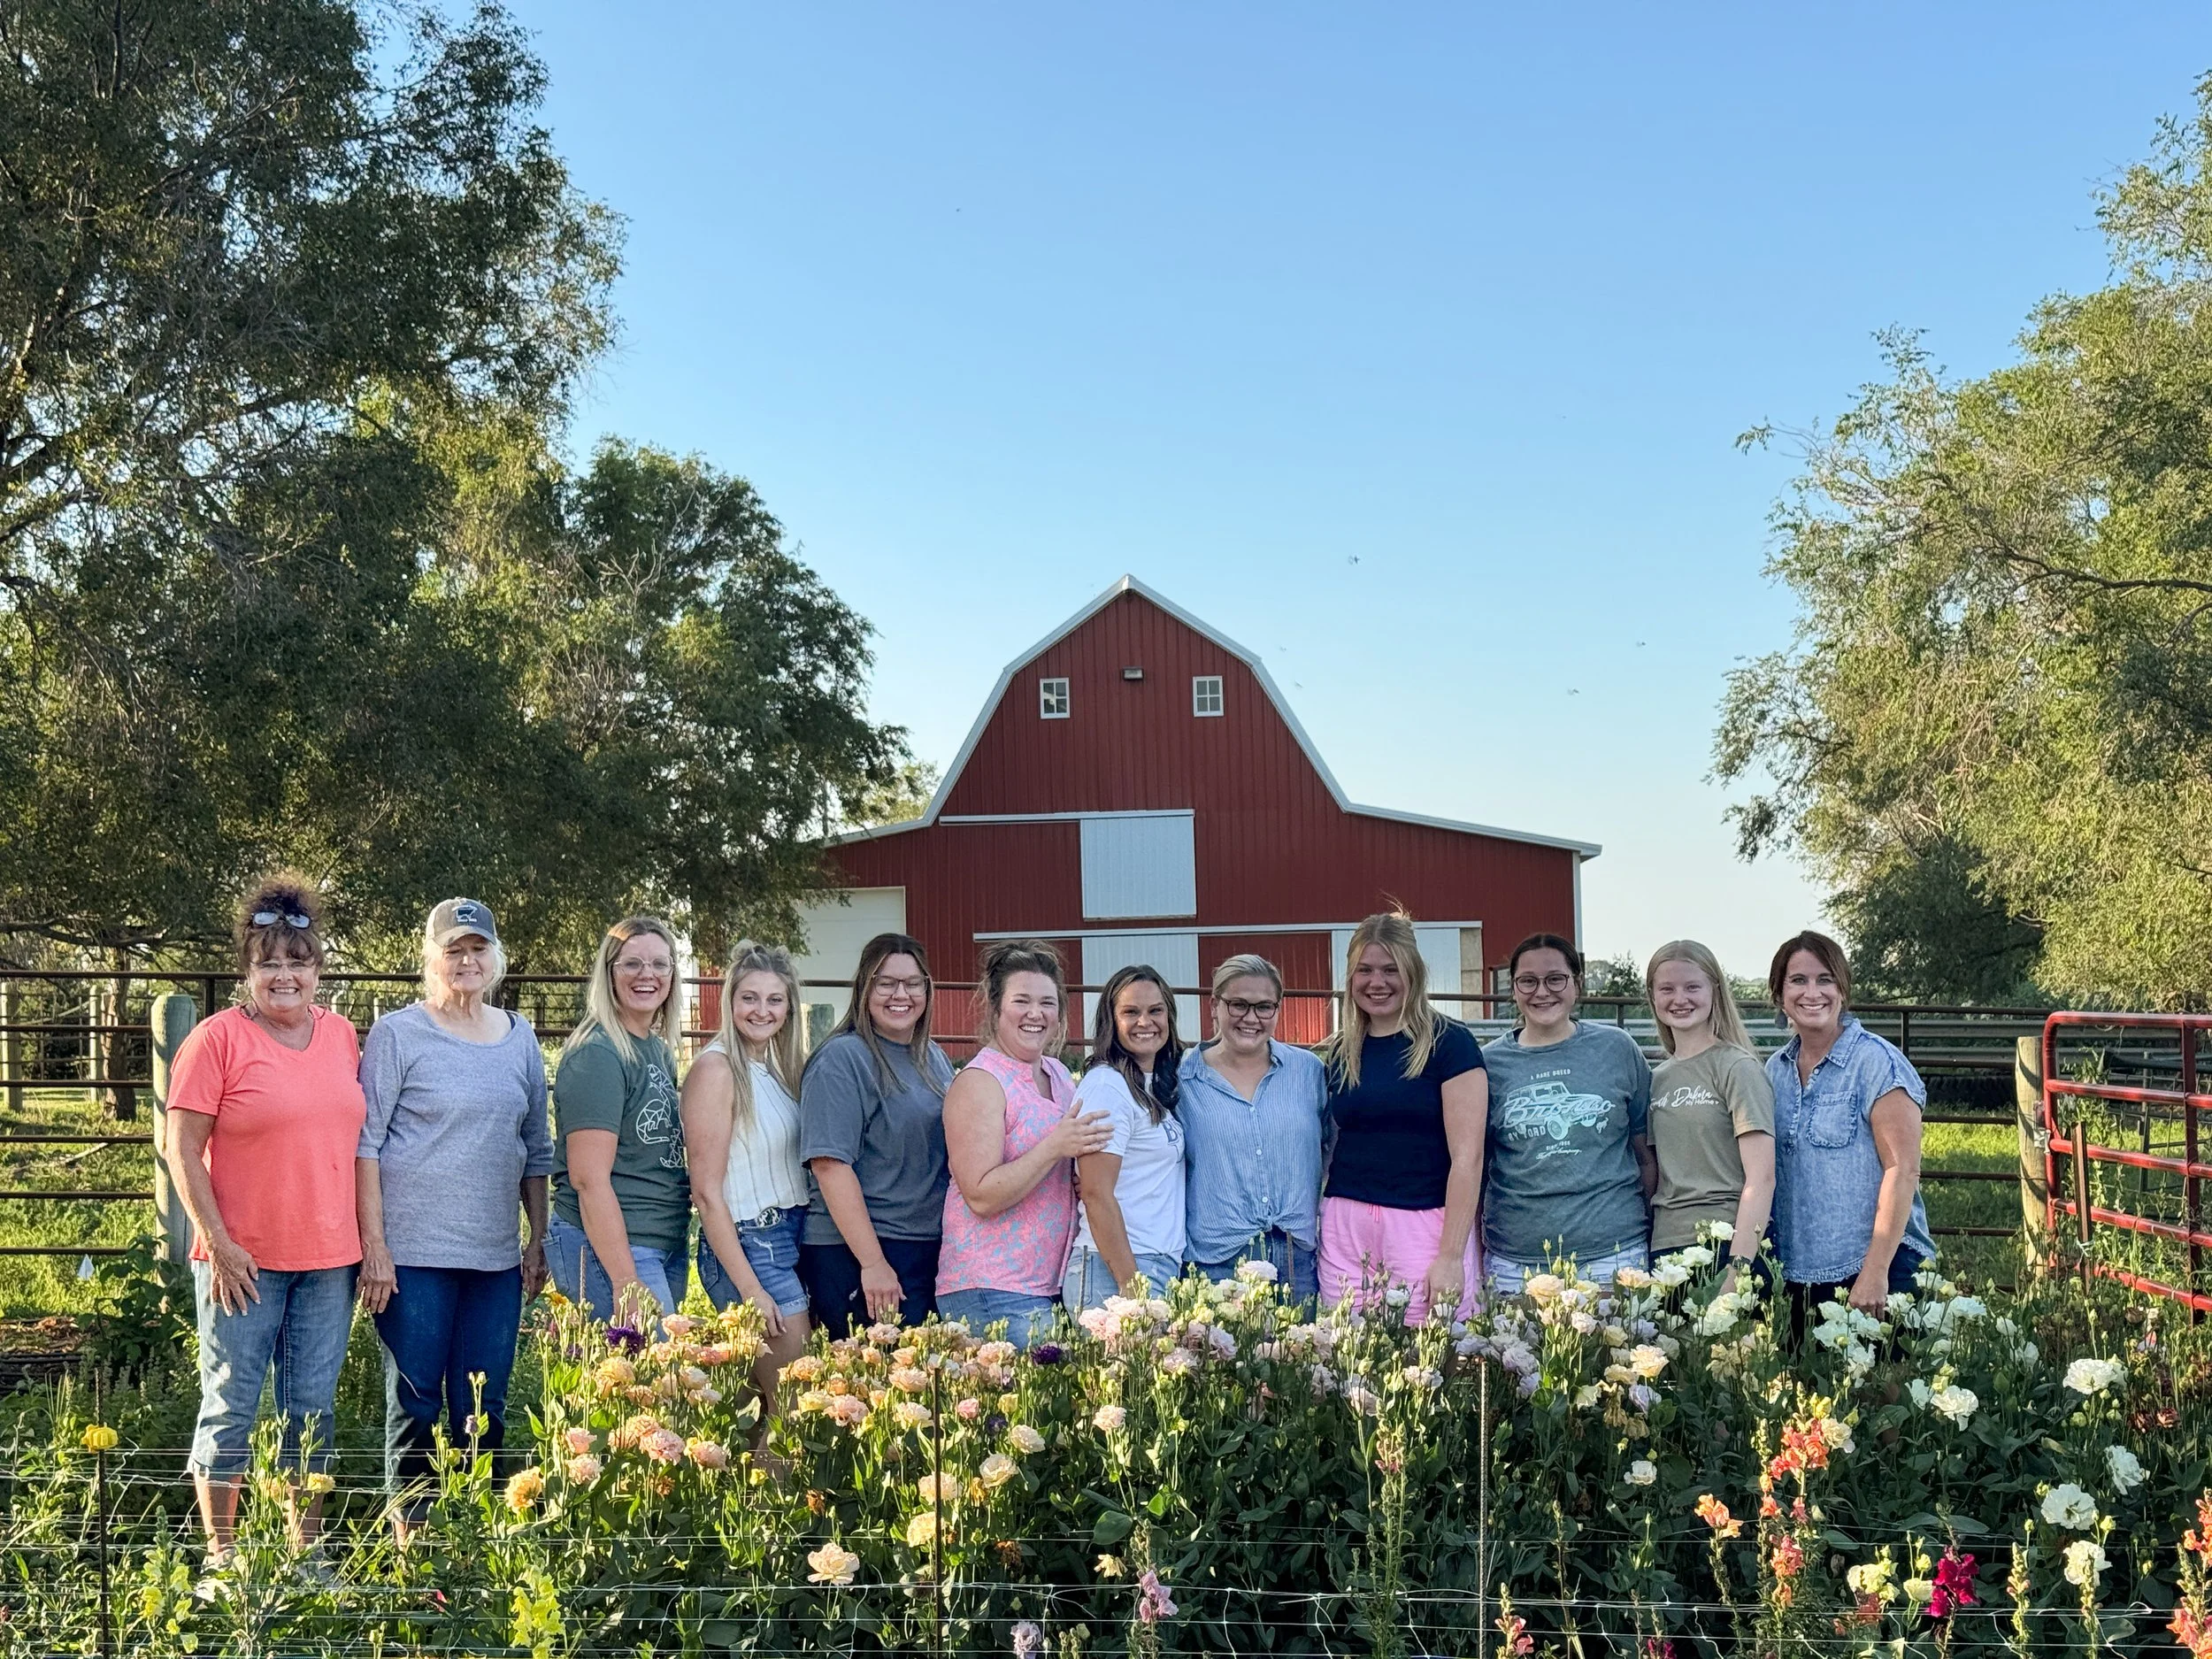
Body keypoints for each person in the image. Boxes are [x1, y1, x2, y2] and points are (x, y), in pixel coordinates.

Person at [165, 874, 365, 1573]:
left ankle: (303, 1554)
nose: (284, 974)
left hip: (330, 1258)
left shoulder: (343, 1036)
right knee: (230, 1405)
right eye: (268, 962)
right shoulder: (216, 1040)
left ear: (317, 968)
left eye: (297, 960)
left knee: (312, 1412)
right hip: (240, 1261)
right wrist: (218, 1244)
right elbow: (181, 1146)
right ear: (248, 969)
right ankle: (222, 1558)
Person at [357, 898, 552, 1543]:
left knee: (483, 1406)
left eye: (478, 948)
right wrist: (375, 1247)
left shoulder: (519, 1036)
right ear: (431, 958)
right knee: (416, 1401)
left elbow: (536, 1146)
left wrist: (537, 1238)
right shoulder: (398, 1033)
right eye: (454, 949)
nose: (467, 960)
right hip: (413, 1257)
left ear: (495, 957)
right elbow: (366, 1143)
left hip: (494, 1258)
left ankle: (471, 1539)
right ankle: (412, 1548)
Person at [1316, 914, 1487, 1325]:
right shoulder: (1343, 1052)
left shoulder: (1450, 1044)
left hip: (1423, 1225)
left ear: (1414, 972)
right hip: (1346, 1226)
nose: (1378, 983)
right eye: (1366, 970)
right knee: (1348, 1363)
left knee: (1424, 1365)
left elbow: (1469, 1158)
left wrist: (1449, 1256)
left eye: (1391, 970)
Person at [938, 941, 1110, 1347]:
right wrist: (1055, 1147)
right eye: (1022, 1001)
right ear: (996, 1008)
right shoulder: (980, 1082)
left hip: (1047, 1283)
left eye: (1047, 1003)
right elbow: (980, 1195)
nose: (1036, 1014)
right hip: (992, 1286)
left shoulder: (1057, 1073)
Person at [1766, 930, 1935, 1329]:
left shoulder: (1877, 1064)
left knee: (1882, 1390)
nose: (1813, 992)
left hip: (1875, 1267)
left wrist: (1875, 1272)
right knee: (1812, 1390)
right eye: (1798, 980)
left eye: (1825, 979)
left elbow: (1902, 1170)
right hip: (1795, 1271)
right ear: (1779, 994)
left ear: (1842, 990)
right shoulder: (1773, 1071)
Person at [798, 933, 956, 1333]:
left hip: (923, 1245)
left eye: (912, 983)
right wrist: (873, 1263)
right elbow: (830, 1166)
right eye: (885, 983)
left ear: (927, 989)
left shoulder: (932, 1059)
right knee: (874, 1389)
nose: (900, 994)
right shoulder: (842, 1059)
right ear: (864, 988)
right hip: (862, 1252)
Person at [1479, 933, 1655, 1291]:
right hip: (1516, 1260)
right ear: (1513, 989)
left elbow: (1646, 1155)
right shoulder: (1489, 1063)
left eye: (1555, 979)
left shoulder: (1617, 1048)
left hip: (1614, 1252)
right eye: (1527, 981)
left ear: (1577, 984)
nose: (1542, 991)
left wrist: (1647, 1224)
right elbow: (1477, 1164)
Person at [680, 941, 811, 1402]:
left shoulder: (773, 1068)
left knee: (772, 1409)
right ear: (730, 1001)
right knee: (792, 1407)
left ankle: (753, 1475)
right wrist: (751, 1289)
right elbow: (707, 1192)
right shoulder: (717, 1070)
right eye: (749, 998)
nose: (762, 1010)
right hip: (751, 1244)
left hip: (785, 1237)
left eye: (775, 999)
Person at [547, 917, 688, 1323]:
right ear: (609, 972)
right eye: (632, 964)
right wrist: (625, 1279)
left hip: (659, 1239)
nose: (648, 975)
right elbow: (588, 1179)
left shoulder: (655, 1049)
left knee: (657, 1383)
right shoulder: (599, 1054)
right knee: (637, 1382)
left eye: (660, 964)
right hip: (613, 1247)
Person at [1178, 953, 1328, 1302]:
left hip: (1296, 1257)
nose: (1251, 1018)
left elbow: (1329, 1144)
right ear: (1214, 1005)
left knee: (1300, 1355)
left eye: (1264, 1007)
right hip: (1217, 1259)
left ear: (1278, 1008)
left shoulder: (1307, 1071)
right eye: (1238, 1005)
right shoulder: (1183, 1077)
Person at [1644, 940, 1775, 1284]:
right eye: (1667, 989)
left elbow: (1761, 1178)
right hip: (1666, 1247)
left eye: (1692, 987)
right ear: (1653, 996)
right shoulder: (1655, 1080)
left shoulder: (1737, 1068)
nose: (1680, 999)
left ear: (1715, 990)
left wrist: (1737, 1272)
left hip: (1727, 1243)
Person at [1064, 965, 1188, 1315]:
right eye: (1130, 1012)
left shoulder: (1154, 1084)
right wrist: (1131, 1285)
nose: (1145, 1022)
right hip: (1117, 1271)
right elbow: (1095, 1192)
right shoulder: (1107, 1086)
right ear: (1111, 1021)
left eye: (1155, 1011)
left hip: (1154, 1263)